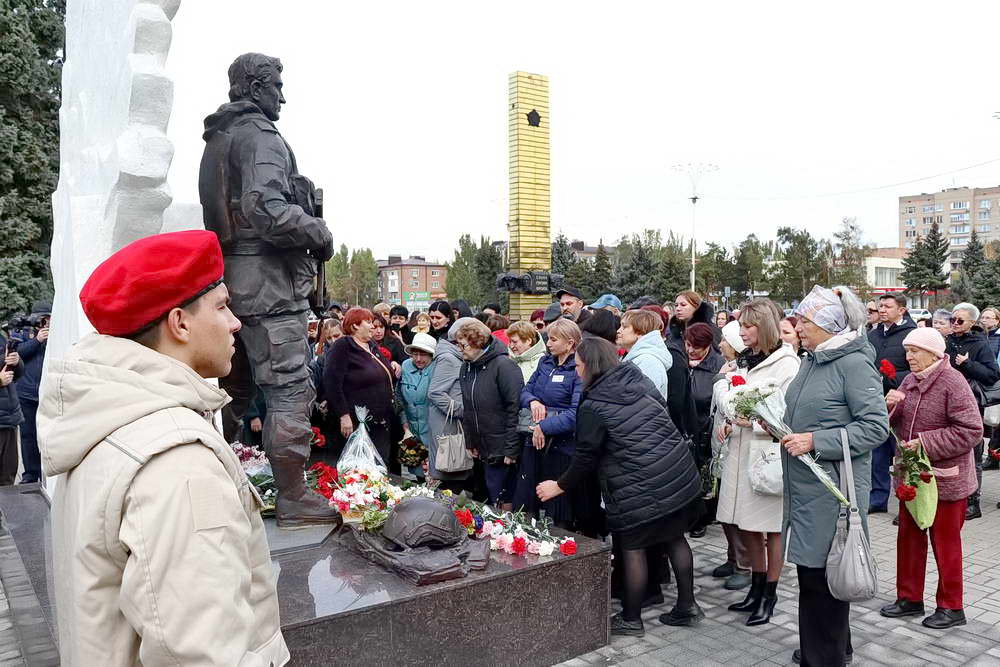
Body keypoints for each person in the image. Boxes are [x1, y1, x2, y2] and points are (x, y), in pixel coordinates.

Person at [38, 231, 288, 665]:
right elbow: (203, 653)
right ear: (180, 324)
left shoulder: (112, 419)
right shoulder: (177, 458)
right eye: (222, 306)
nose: (235, 323)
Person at [199, 52, 336, 527]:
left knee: (231, 390)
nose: (283, 95)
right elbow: (266, 208)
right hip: (269, 288)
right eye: (277, 85)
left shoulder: (220, 136)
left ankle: (204, 480)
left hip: (230, 283)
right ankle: (294, 496)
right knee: (290, 389)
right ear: (256, 88)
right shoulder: (260, 136)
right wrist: (319, 232)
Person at [537, 337, 704, 636]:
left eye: (579, 366)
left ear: (591, 366)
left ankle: (631, 618)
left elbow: (585, 456)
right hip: (676, 474)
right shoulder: (638, 380)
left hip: (638, 485)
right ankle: (687, 606)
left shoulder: (594, 404)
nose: (576, 371)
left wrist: (558, 486)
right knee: (675, 538)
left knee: (632, 547)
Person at [782, 285, 888, 666]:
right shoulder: (813, 359)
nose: (798, 327)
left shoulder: (853, 364)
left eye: (805, 321)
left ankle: (823, 656)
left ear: (829, 325)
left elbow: (875, 427)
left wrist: (815, 440)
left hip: (832, 495)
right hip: (808, 490)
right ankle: (832, 648)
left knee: (822, 583)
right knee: (816, 580)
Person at [881, 328, 981, 630]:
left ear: (934, 354)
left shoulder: (953, 381)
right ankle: (909, 598)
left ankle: (952, 607)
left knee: (945, 544)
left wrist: (925, 442)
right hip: (913, 478)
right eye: (907, 351)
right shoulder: (910, 380)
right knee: (909, 539)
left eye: (914, 351)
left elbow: (971, 431)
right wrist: (890, 407)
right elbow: (896, 425)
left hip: (946, 481)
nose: (908, 357)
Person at [716, 299, 800, 626]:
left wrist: (751, 421)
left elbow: (785, 415)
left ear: (764, 326)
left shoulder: (786, 364)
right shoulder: (745, 360)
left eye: (749, 325)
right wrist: (730, 420)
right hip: (740, 451)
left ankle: (770, 594)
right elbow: (734, 400)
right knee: (746, 523)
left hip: (766, 455)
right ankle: (755, 586)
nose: (742, 332)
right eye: (741, 325)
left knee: (771, 528)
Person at [514, 319, 590, 523]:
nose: (548, 343)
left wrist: (544, 426)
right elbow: (525, 391)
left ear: (570, 343)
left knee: (557, 508)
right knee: (527, 499)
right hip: (534, 441)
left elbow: (575, 413)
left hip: (561, 447)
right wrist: (533, 401)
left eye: (554, 339)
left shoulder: (578, 369)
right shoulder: (545, 362)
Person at [456, 319, 524, 507]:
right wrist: (470, 440)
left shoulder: (504, 366)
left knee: (504, 500)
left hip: (502, 448)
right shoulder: (467, 367)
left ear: (477, 342)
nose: (460, 350)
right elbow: (468, 407)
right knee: (486, 499)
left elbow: (515, 408)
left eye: (463, 345)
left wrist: (511, 449)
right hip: (481, 448)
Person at [946, 302, 1000, 520]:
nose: (955, 323)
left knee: (973, 455)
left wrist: (968, 364)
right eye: (952, 319)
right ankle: (953, 497)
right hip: (946, 403)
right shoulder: (948, 340)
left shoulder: (979, 343)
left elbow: (992, 374)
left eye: (960, 320)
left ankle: (973, 503)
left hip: (971, 406)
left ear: (971, 323)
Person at [323, 308, 396, 464]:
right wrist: (344, 415)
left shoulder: (371, 345)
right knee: (360, 467)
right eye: (368, 322)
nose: (373, 326)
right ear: (355, 326)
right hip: (356, 423)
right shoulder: (343, 346)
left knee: (380, 466)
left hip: (380, 422)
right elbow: (332, 383)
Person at [710, 320, 751, 591]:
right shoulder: (729, 367)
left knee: (736, 511)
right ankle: (732, 556)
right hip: (721, 444)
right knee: (724, 508)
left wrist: (720, 382)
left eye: (725, 340)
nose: (720, 344)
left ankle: (744, 564)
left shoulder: (741, 372)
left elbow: (731, 405)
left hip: (735, 446)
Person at [867, 293, 916, 514]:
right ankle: (877, 499)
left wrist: (893, 377)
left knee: (902, 453)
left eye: (887, 306)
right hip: (876, 401)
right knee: (877, 454)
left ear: (901, 310)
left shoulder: (911, 335)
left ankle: (907, 502)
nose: (882, 310)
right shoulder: (873, 334)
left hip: (901, 401)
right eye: (880, 306)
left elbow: (918, 369)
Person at [683, 323, 725, 538]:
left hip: (706, 428)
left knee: (705, 476)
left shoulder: (718, 365)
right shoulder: (680, 361)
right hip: (685, 427)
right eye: (688, 345)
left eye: (696, 347)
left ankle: (702, 518)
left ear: (708, 345)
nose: (691, 350)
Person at [425, 320, 474, 490]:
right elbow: (435, 392)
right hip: (448, 427)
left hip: (450, 425)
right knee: (449, 479)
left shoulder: (454, 356)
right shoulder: (448, 358)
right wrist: (462, 411)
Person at [398, 333, 438, 480]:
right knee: (418, 476)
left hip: (433, 432)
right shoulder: (405, 365)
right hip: (411, 431)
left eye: (423, 354)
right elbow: (399, 396)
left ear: (432, 355)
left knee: (436, 477)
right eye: (415, 354)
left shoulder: (438, 368)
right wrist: (404, 423)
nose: (418, 359)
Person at [14, 304, 47, 483]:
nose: (45, 322)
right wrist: (37, 340)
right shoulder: (23, 331)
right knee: (28, 436)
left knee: (47, 434)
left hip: (47, 392)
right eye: (43, 318)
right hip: (26, 393)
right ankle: (31, 474)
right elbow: (16, 354)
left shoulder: (57, 333)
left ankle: (48, 471)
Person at [618, 310, 672, 399]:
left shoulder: (648, 362)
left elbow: (642, 401)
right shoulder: (639, 358)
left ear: (640, 331)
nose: (618, 331)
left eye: (624, 327)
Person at [0, 329, 23, 486]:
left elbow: (18, 374)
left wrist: (16, 362)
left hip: (9, 419)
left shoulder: (2, 338)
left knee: (8, 474)